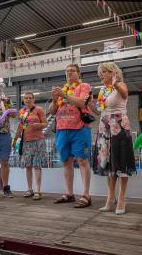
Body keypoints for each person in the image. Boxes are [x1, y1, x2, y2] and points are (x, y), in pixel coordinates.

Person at [88, 62, 136, 215]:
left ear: (113, 72)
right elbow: (100, 110)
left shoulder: (121, 84)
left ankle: (121, 198)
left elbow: (124, 94)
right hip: (104, 125)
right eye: (99, 73)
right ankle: (110, 197)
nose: (100, 75)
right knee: (107, 163)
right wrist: (91, 105)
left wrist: (115, 83)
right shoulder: (102, 90)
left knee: (121, 162)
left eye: (103, 72)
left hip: (119, 125)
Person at [49, 64, 92, 208]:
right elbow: (52, 111)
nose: (69, 73)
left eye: (72, 71)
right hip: (61, 129)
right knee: (66, 161)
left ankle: (86, 195)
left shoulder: (84, 86)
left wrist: (64, 95)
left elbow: (81, 102)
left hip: (79, 128)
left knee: (83, 161)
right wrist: (55, 100)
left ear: (79, 73)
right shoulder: (64, 89)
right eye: (66, 71)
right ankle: (69, 193)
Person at [13, 92, 48, 200]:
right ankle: (29, 189)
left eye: (30, 98)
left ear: (34, 99)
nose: (28, 100)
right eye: (26, 98)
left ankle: (38, 190)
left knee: (37, 165)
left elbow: (46, 123)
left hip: (38, 141)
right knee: (28, 166)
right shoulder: (22, 112)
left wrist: (39, 125)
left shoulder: (39, 110)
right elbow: (20, 127)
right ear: (23, 100)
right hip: (26, 141)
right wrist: (15, 139)